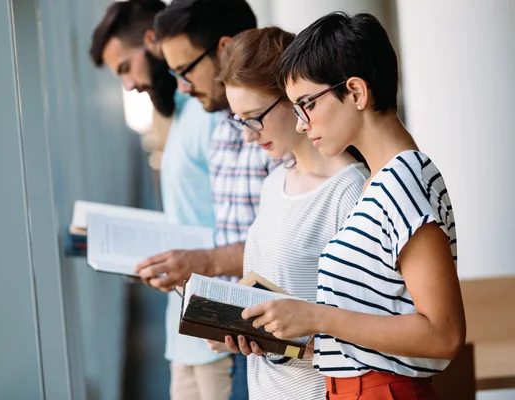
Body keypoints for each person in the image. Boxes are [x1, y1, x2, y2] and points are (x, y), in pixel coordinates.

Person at [242, 12, 466, 400]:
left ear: (357, 93)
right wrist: (286, 331)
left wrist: (315, 315)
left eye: (306, 104)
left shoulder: (403, 179)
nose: (300, 123)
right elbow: (371, 336)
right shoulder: (378, 183)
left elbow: (444, 334)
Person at [204, 26, 368, 400]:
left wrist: (289, 341)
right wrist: (247, 333)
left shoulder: (350, 191)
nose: (247, 135)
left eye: (253, 117)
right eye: (238, 120)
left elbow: (368, 335)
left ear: (291, 98)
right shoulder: (273, 183)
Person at [134, 1, 278, 399]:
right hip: (236, 339)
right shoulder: (219, 129)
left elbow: (289, 248)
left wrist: (203, 262)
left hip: (281, 344)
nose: (181, 86)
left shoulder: (278, 137)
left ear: (224, 49)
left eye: (185, 70)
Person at [90, 2, 231, 399]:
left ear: (151, 42)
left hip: (218, 335)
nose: (129, 85)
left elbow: (249, 224)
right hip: (185, 333)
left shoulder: (212, 115)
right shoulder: (186, 114)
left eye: (125, 68)